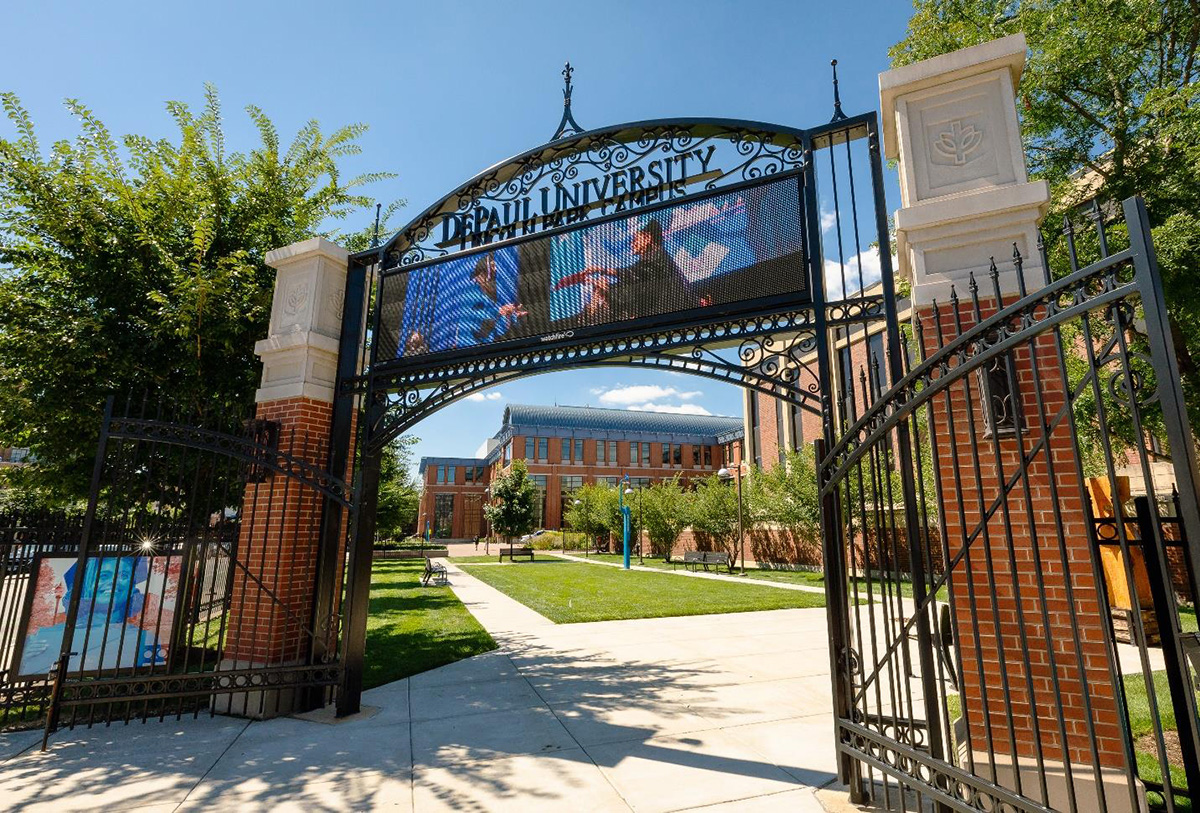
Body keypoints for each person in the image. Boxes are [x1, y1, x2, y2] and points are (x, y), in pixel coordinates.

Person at [583, 218, 697, 322]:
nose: (631, 244)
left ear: (647, 238)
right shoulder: (650, 261)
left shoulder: (657, 257)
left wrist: (601, 271)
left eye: (635, 239)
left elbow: (634, 274)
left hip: (673, 314)